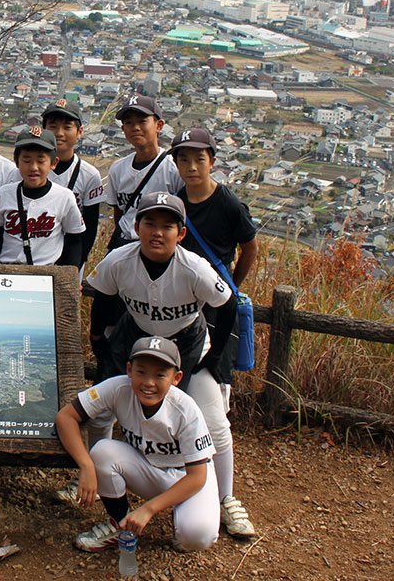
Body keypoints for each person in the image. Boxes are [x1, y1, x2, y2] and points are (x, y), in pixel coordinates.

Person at [85, 192, 243, 545]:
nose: (157, 233)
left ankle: (225, 497)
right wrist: (98, 338)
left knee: (214, 420)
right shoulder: (119, 260)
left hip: (186, 341)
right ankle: (95, 481)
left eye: (167, 226)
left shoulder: (193, 267)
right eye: (149, 224)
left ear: (181, 233)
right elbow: (104, 295)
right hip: (136, 336)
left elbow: (228, 304)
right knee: (101, 413)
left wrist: (215, 358)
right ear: (136, 227)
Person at [170, 127, 259, 539]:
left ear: (212, 160)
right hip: (179, 306)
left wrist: (230, 287)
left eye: (198, 159)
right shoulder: (177, 201)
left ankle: (225, 497)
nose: (191, 167)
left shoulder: (227, 202)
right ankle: (182, 477)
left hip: (213, 308)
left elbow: (250, 245)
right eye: (183, 159)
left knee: (214, 405)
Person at [56, 336, 219, 554]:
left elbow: (197, 477)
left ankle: (183, 513)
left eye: (160, 374)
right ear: (130, 370)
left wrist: (148, 509)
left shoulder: (185, 410)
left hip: (186, 478)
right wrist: (86, 465)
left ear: (176, 378)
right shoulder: (118, 388)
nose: (149, 382)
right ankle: (119, 524)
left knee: (196, 537)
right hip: (149, 469)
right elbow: (65, 417)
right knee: (102, 452)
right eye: (141, 372)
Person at [0, 127, 85, 267]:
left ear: (54, 163)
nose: (33, 167)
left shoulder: (64, 197)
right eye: (26, 160)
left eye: (41, 161)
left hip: (46, 274)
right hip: (8, 271)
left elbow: (74, 241)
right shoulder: (3, 194)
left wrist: (71, 277)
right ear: (16, 161)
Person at [105, 94, 182, 252]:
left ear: (159, 125)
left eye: (142, 121)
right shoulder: (117, 169)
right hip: (124, 245)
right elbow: (119, 211)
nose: (135, 127)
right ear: (123, 129)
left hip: (158, 249)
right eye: (129, 122)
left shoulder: (173, 168)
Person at [42, 98, 105, 267]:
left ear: (79, 132)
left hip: (72, 257)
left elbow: (90, 227)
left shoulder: (89, 175)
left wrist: (76, 265)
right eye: (53, 126)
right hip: (37, 257)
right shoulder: (29, 171)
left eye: (67, 127)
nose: (59, 133)